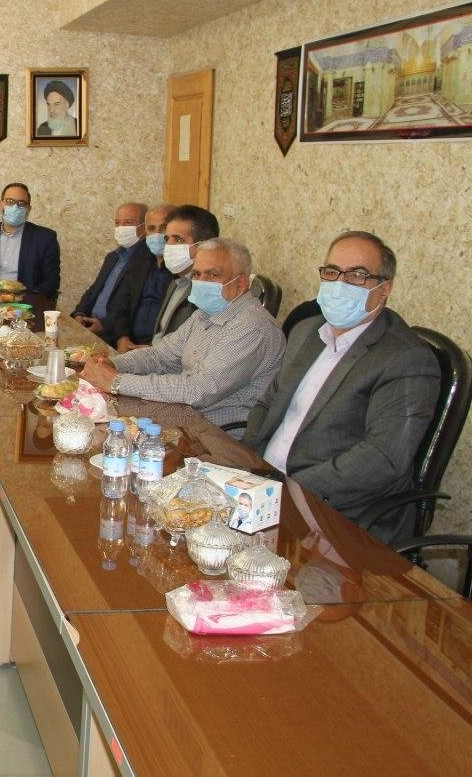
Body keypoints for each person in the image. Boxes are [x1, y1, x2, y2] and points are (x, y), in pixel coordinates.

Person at [243, 232, 439, 541]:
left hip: (334, 511)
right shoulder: (306, 332)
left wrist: (288, 489)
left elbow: (382, 458)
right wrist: (249, 464)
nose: (340, 283)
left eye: (357, 275)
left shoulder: (406, 358)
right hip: (264, 487)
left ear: (385, 288)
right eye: (332, 272)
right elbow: (268, 404)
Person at [81, 238, 285, 432]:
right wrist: (111, 365)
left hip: (217, 436)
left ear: (241, 283)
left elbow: (198, 390)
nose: (202, 281)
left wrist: (117, 381)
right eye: (197, 274)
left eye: (212, 274)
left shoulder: (253, 327)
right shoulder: (204, 314)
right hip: (182, 418)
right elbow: (159, 355)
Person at [71, 202, 155, 346]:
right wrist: (80, 313)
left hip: (114, 335)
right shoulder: (113, 256)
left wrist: (105, 325)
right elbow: (94, 290)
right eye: (117, 223)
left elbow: (133, 304)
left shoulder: (148, 260)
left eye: (127, 223)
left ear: (144, 227)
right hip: (88, 325)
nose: (121, 228)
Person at [0, 182, 60, 304]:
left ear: (28, 209)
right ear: (1, 204)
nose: (15, 207)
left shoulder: (45, 238)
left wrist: (27, 302)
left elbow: (51, 281)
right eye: (9, 201)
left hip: (27, 305)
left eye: (21, 203)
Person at [149, 204, 219, 342]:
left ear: (204, 246)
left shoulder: (209, 291)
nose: (168, 246)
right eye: (167, 239)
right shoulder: (175, 280)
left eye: (178, 239)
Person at [115, 203, 174, 351]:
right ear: (145, 232)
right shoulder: (138, 262)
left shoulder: (180, 271)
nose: (157, 234)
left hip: (160, 350)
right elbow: (121, 305)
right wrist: (122, 338)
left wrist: (153, 350)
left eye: (164, 228)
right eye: (152, 229)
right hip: (128, 344)